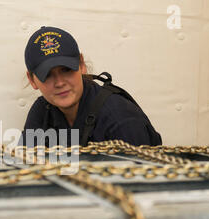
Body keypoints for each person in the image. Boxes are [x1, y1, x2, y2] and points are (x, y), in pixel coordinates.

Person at [19, 26, 162, 148]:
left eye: (66, 69)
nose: (60, 83)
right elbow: (23, 169)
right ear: (32, 80)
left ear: (81, 65)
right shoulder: (42, 111)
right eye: (48, 75)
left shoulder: (121, 119)